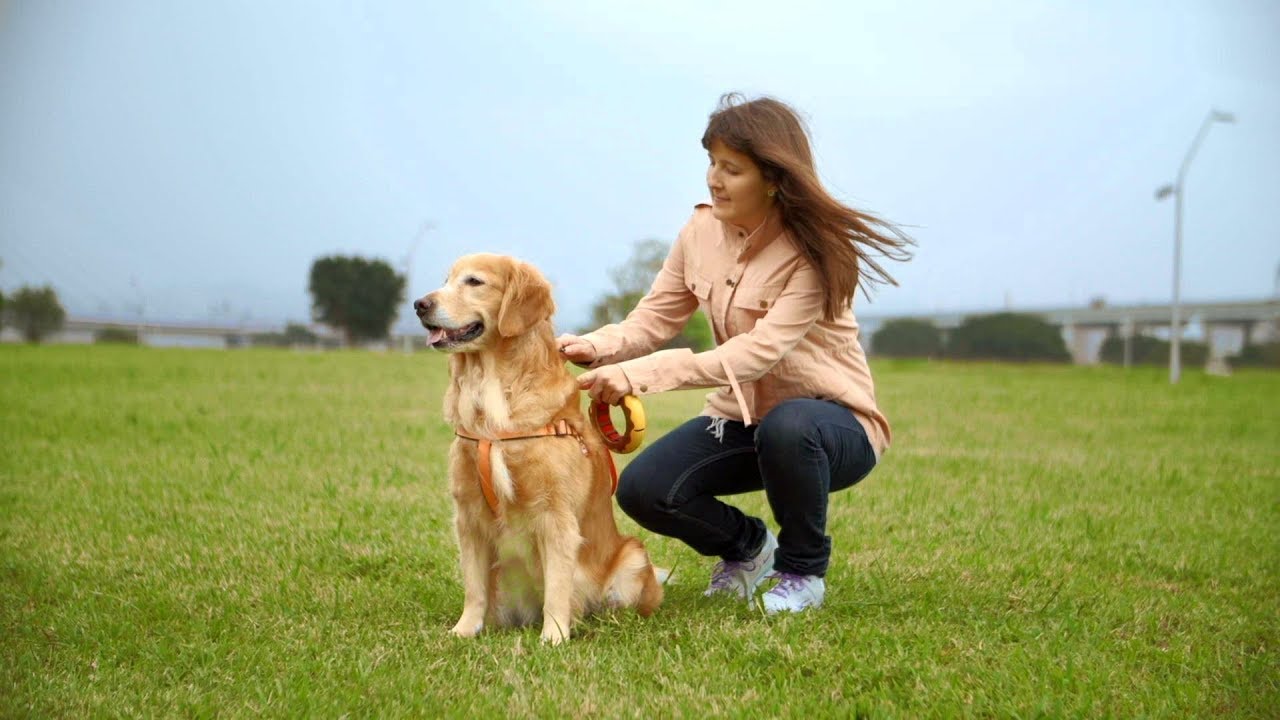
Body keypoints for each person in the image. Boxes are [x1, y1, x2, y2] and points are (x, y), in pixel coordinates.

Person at [557, 93, 912, 614]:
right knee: (645, 490)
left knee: (789, 426)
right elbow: (656, 317)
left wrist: (638, 375)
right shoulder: (698, 231)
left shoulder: (814, 253)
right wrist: (597, 346)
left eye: (732, 168)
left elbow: (755, 355)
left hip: (833, 426)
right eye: (711, 163)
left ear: (772, 178)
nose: (713, 179)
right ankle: (748, 549)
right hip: (743, 420)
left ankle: (802, 572)